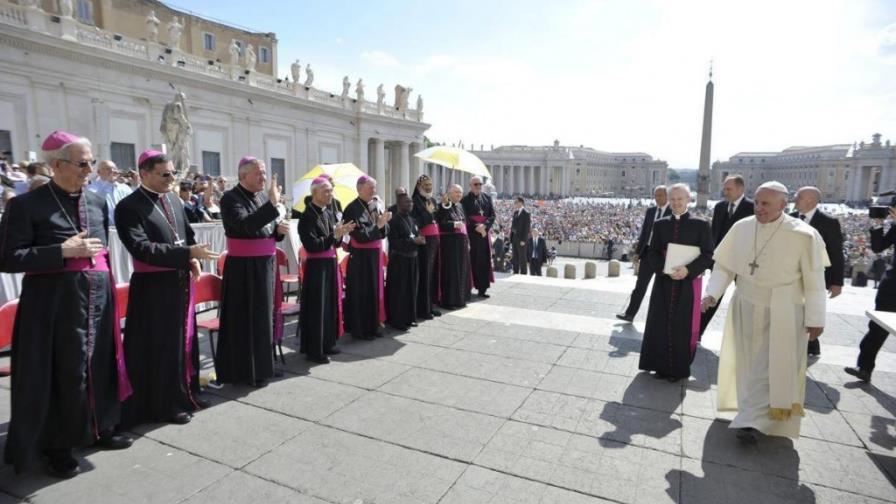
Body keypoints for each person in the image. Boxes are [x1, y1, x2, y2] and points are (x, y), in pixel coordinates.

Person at [0, 131, 133, 478]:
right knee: (63, 374)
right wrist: (59, 251)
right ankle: (56, 446)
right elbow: (9, 257)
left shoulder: (96, 202)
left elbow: (101, 249)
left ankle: (99, 428)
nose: (89, 169)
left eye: (91, 161)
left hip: (96, 296)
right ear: (57, 165)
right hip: (52, 305)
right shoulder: (26, 205)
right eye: (83, 163)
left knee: (98, 364)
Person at [701, 181, 828, 443]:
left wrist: (816, 318)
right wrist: (711, 293)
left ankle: (749, 422)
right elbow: (724, 267)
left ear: (783, 204)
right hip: (745, 302)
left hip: (783, 308)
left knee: (767, 367)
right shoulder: (742, 227)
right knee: (747, 362)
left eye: (766, 204)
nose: (758, 208)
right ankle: (752, 413)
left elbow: (815, 280)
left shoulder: (804, 235)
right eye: (757, 202)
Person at [114, 150, 219, 427]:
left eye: (173, 173)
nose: (171, 179)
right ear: (144, 173)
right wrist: (186, 254)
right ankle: (166, 404)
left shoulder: (173, 199)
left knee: (185, 342)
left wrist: (192, 258)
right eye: (165, 174)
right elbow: (141, 247)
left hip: (180, 283)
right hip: (153, 289)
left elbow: (187, 234)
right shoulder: (128, 206)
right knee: (162, 348)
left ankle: (189, 393)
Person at [216, 156, 290, 388]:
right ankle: (247, 371)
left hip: (263, 265)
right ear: (243, 175)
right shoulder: (230, 198)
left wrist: (278, 231)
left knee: (263, 318)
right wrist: (272, 205)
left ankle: (263, 367)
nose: (264, 178)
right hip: (244, 269)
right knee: (247, 320)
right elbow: (245, 226)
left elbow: (265, 231)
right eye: (259, 173)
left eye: (265, 174)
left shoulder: (259, 198)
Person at [639, 184, 713, 381]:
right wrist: (665, 268)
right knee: (659, 324)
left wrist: (688, 270)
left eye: (680, 199)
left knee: (681, 326)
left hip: (687, 284)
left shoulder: (701, 224)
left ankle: (677, 371)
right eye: (672, 199)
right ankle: (659, 366)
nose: (676, 203)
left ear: (689, 199)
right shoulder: (660, 224)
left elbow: (708, 255)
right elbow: (652, 252)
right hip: (664, 281)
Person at [298, 177, 355, 364]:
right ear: (314, 193)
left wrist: (340, 235)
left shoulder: (329, 212)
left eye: (331, 190)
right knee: (317, 308)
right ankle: (315, 350)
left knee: (330, 305)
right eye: (326, 191)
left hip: (330, 263)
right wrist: (334, 236)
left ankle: (328, 342)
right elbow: (313, 246)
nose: (330, 194)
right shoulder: (306, 217)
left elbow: (335, 242)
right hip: (316, 268)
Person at [791, 186, 844, 357]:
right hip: (791, 276)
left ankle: (811, 343)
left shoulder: (829, 222)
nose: (794, 199)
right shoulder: (789, 219)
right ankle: (806, 343)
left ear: (811, 200)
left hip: (816, 276)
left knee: (811, 309)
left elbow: (836, 254)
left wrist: (837, 283)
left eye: (798, 197)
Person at [845, 206, 896, 383]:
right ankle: (864, 367)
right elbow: (878, 246)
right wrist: (878, 223)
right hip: (891, 286)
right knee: (876, 328)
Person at [699, 174, 755, 335]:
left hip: (744, 262)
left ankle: (812, 344)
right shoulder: (720, 207)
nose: (725, 191)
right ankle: (698, 331)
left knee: (745, 300)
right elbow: (714, 234)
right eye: (724, 188)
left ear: (740, 189)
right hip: (722, 261)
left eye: (728, 188)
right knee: (711, 296)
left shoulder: (753, 208)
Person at [342, 175, 391, 340]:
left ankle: (374, 325)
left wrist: (384, 224)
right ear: (360, 188)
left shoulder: (375, 205)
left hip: (374, 256)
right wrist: (378, 226)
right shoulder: (351, 209)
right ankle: (360, 330)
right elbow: (360, 236)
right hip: (361, 259)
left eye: (374, 188)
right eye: (371, 188)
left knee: (374, 292)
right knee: (362, 293)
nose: (374, 191)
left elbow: (384, 231)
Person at [617, 186, 670, 322]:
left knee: (663, 289)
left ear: (667, 196)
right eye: (655, 195)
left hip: (664, 256)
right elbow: (644, 233)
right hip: (647, 253)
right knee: (640, 286)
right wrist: (637, 253)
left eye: (660, 195)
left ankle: (662, 319)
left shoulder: (673, 211)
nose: (657, 198)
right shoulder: (651, 211)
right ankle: (629, 314)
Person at [386, 193, 424, 330]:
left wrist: (420, 240)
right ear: (399, 204)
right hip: (399, 260)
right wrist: (413, 241)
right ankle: (398, 320)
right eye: (407, 202)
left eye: (411, 202)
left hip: (413, 259)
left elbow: (416, 234)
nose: (411, 204)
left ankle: (410, 317)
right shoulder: (394, 221)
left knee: (412, 290)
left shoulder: (413, 220)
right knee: (400, 291)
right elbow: (395, 242)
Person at [412, 174, 441, 319]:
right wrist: (428, 213)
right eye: (426, 186)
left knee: (432, 274)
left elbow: (437, 218)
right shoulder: (414, 202)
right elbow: (416, 223)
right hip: (424, 242)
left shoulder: (432, 200)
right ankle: (423, 308)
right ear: (419, 187)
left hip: (434, 240)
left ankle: (431, 305)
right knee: (425, 275)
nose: (429, 188)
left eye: (430, 185)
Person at [437, 184, 471, 309]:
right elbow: (441, 224)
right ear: (450, 193)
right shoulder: (445, 205)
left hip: (461, 244)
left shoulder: (461, 206)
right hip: (450, 245)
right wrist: (453, 224)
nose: (459, 195)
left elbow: (465, 224)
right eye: (456, 192)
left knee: (462, 272)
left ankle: (460, 299)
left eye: (461, 192)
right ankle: (448, 301)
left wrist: (468, 242)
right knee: (451, 273)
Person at [461, 176, 495, 298]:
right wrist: (476, 226)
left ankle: (482, 288)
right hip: (472, 234)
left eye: (480, 184)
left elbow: (492, 215)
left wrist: (485, 226)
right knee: (471, 261)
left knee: (483, 261)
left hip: (484, 234)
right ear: (470, 185)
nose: (478, 186)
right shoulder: (464, 200)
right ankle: (468, 288)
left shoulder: (487, 198)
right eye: (476, 184)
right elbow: (463, 216)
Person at [87, 160, 132, 225]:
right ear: (99, 172)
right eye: (107, 169)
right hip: (106, 229)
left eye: (114, 169)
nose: (112, 171)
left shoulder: (125, 188)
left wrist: (135, 186)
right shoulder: (91, 188)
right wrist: (108, 182)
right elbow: (94, 202)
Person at [510, 197, 531, 274]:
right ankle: (515, 271)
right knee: (515, 256)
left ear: (521, 203)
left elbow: (527, 228)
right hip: (514, 238)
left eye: (516, 202)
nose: (515, 203)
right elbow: (513, 225)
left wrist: (524, 240)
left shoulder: (526, 213)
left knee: (522, 257)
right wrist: (511, 237)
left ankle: (523, 273)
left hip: (521, 239)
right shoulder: (515, 212)